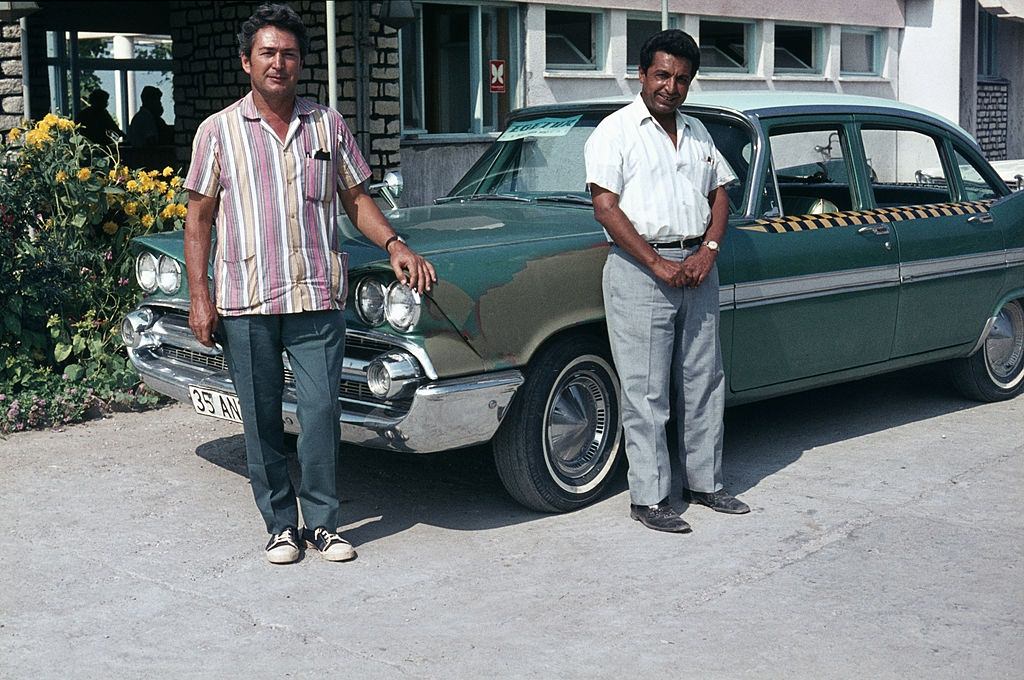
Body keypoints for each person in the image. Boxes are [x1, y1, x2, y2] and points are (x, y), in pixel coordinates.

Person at [183, 3, 435, 564]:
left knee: (321, 413)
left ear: (302, 63)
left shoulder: (327, 124)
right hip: (245, 300)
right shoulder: (217, 131)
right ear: (246, 62)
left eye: (289, 54)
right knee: (262, 415)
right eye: (267, 53)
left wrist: (394, 244)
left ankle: (323, 523)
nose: (279, 63)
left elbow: (356, 197)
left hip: (316, 294)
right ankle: (279, 524)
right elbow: (198, 218)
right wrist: (200, 297)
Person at [584, 29, 749, 534]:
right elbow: (605, 208)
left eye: (681, 79)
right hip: (640, 272)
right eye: (662, 75)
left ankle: (705, 484)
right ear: (641, 74)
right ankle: (650, 498)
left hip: (697, 269)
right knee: (647, 390)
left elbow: (721, 193)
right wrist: (657, 264)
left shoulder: (698, 132)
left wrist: (709, 250)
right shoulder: (614, 132)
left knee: (704, 380)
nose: (670, 87)